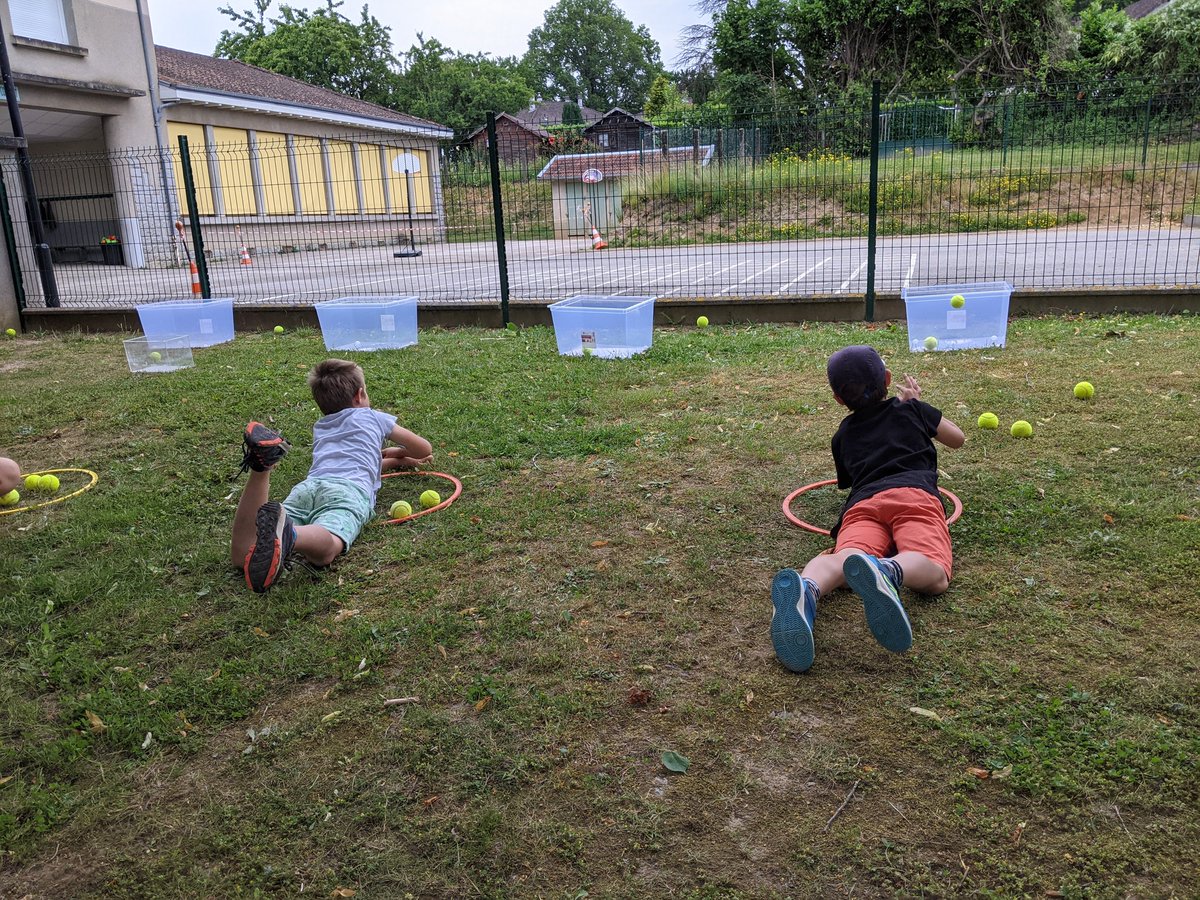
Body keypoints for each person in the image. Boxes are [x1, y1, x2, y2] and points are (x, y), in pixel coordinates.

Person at [771, 345, 965, 672]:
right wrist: (918, 402)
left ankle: (808, 589)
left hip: (863, 505)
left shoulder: (842, 435)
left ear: (838, 400)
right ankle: (889, 571)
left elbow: (847, 480)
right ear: (888, 379)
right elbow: (957, 438)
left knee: (845, 561)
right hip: (914, 497)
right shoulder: (913, 410)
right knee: (934, 572)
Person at [231, 358, 433, 593]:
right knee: (327, 548)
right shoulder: (373, 417)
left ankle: (261, 468)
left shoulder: (323, 425)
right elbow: (424, 449)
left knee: (243, 554)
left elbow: (359, 466)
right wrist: (400, 451)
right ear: (359, 396)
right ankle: (290, 534)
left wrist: (393, 461)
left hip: (309, 488)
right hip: (347, 493)